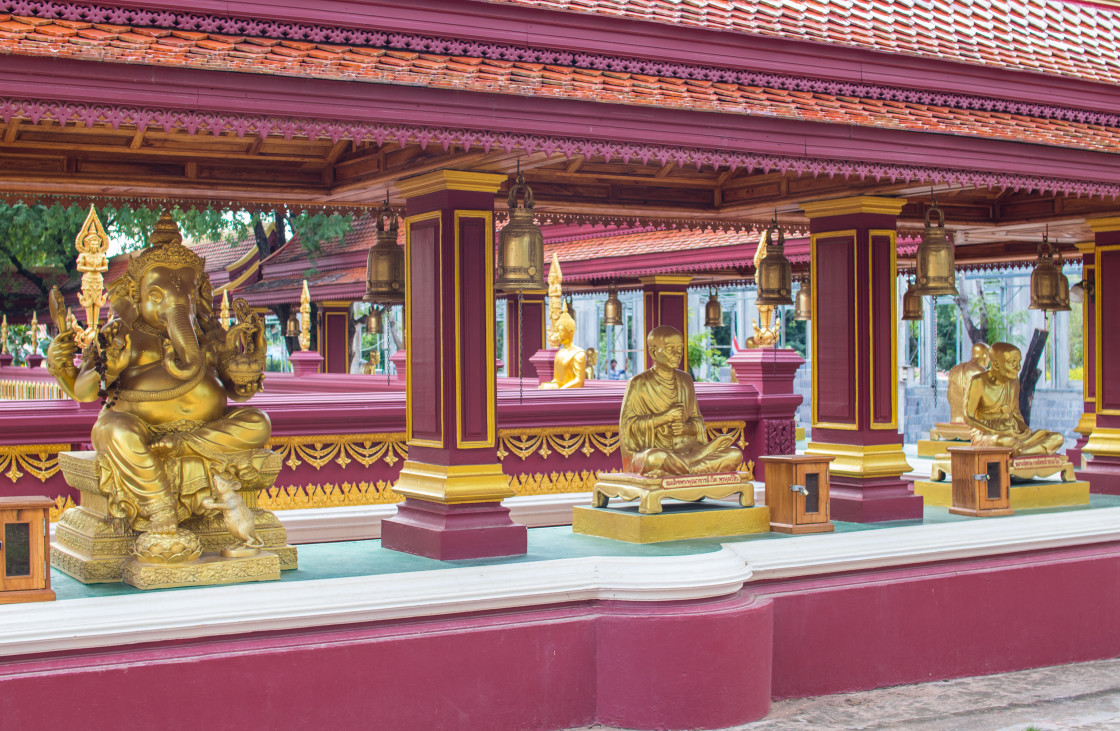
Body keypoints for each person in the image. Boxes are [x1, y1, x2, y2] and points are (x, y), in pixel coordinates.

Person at [619, 325, 743, 477]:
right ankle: (692, 469)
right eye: (671, 349)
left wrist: (687, 429)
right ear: (653, 352)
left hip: (687, 449)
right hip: (658, 452)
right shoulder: (638, 383)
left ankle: (679, 470)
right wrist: (664, 418)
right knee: (653, 459)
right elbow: (628, 428)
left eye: (681, 349)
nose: (678, 354)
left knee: (734, 454)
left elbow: (697, 420)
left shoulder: (686, 380)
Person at [964, 342, 1063, 456]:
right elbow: (968, 417)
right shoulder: (978, 382)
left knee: (1057, 438)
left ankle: (1021, 452)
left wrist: (1024, 429)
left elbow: (1015, 413)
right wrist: (995, 431)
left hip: (1011, 431)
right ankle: (1029, 451)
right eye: (1012, 362)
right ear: (996, 364)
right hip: (987, 434)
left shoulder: (1013, 382)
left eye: (1018, 362)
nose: (1018, 367)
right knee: (1004, 441)